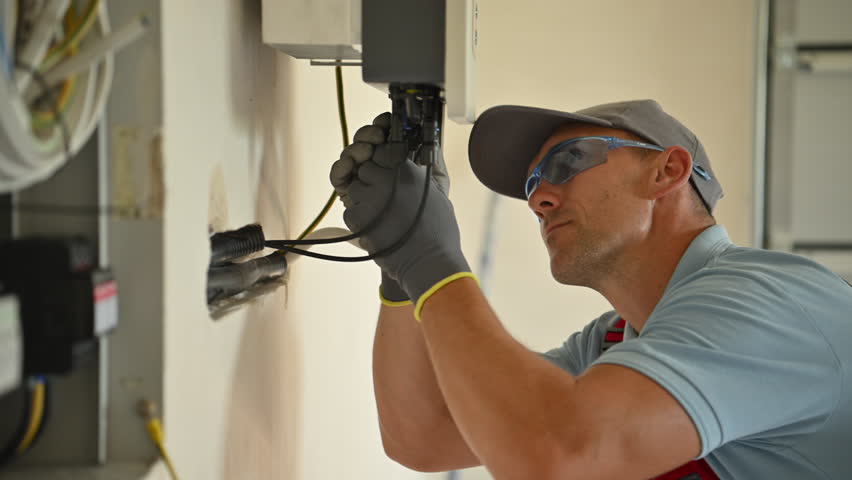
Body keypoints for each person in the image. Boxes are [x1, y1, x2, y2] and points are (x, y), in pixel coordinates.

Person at [328, 99, 852, 480]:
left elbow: (562, 452)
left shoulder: (768, 300)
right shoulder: (618, 341)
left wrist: (432, 265)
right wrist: (401, 271)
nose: (539, 200)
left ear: (667, 171)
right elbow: (423, 435)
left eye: (568, 162)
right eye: (533, 185)